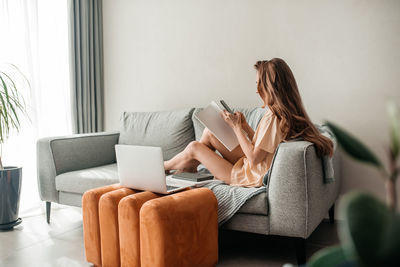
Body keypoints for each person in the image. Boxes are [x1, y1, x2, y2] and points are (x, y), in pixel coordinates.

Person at [164, 58, 334, 187]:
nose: (256, 89)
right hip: (254, 168)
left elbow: (253, 158)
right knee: (209, 133)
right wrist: (245, 127)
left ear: (271, 87)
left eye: (259, 84)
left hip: (249, 175)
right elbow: (264, 148)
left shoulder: (274, 116)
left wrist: (237, 127)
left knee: (195, 147)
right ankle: (189, 168)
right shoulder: (282, 114)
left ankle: (163, 167)